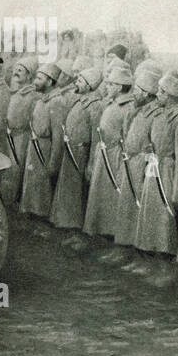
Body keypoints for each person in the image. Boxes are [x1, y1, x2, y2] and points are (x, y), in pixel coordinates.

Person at [131, 70, 178, 285]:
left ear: (172, 95)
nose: (158, 95)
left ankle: (168, 270)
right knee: (151, 218)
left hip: (168, 172)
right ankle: (152, 263)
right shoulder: (161, 114)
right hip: (154, 168)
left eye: (162, 92)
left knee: (165, 221)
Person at [110, 66, 163, 268]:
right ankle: (124, 249)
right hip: (129, 163)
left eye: (140, 90)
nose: (135, 94)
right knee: (126, 209)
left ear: (148, 93)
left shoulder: (155, 114)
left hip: (141, 166)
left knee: (138, 211)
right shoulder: (137, 111)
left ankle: (141, 257)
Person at [83, 61, 135, 242]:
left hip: (115, 156)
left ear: (120, 86)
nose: (108, 86)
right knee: (100, 195)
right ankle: (98, 234)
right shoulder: (110, 104)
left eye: (111, 84)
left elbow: (127, 135)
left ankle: (112, 236)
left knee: (112, 195)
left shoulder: (128, 108)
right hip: (103, 153)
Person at [50, 66, 103, 235]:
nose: (76, 83)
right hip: (70, 150)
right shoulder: (80, 101)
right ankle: (64, 224)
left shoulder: (95, 105)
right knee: (67, 189)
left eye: (80, 81)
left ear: (89, 85)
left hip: (81, 153)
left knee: (76, 191)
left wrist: (91, 162)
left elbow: (96, 136)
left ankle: (74, 229)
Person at [20, 63, 62, 222]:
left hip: (45, 149)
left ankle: (42, 220)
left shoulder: (57, 102)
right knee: (33, 184)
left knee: (43, 187)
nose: (35, 81)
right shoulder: (40, 101)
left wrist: (53, 162)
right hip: (35, 147)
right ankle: (32, 216)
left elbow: (58, 136)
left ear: (50, 82)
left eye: (39, 78)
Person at [0, 57, 39, 203]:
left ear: (29, 75)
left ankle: (12, 200)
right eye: (15, 69)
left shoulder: (33, 95)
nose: (16, 72)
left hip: (21, 137)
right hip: (8, 135)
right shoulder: (14, 92)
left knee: (16, 168)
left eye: (20, 70)